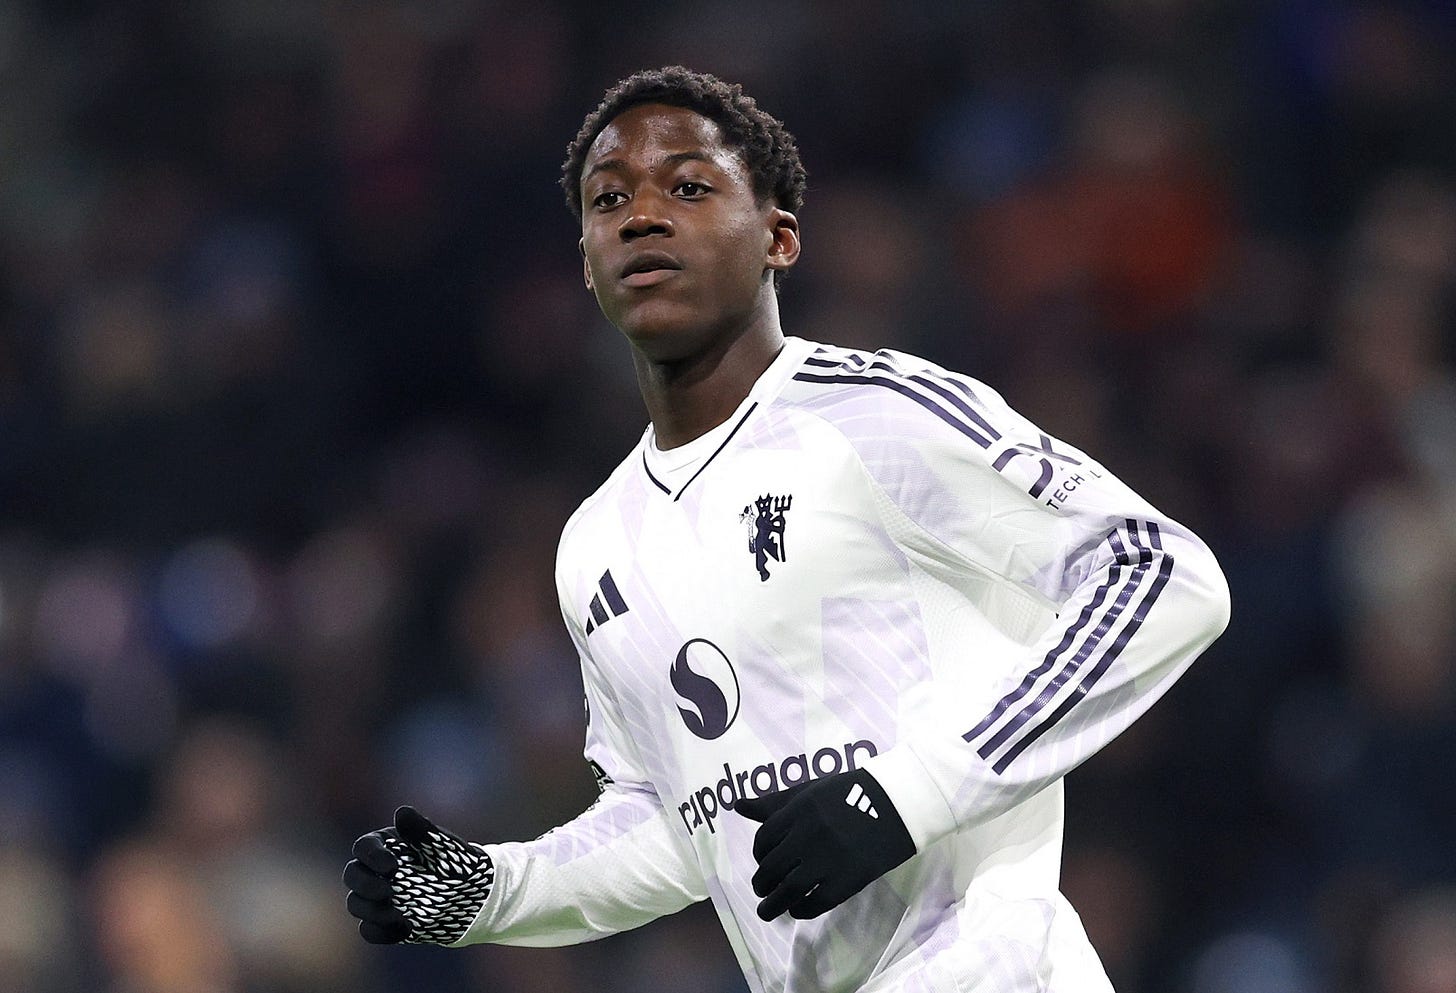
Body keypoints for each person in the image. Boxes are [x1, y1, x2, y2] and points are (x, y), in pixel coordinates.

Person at [343, 66, 1231, 993]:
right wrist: (493, 892)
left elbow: (1163, 572)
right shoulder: (597, 542)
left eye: (689, 187)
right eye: (609, 200)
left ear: (779, 237)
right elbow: (681, 824)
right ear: (587, 261)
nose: (641, 217)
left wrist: (907, 795)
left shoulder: (877, 416)